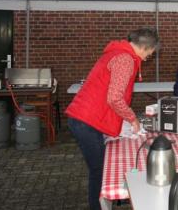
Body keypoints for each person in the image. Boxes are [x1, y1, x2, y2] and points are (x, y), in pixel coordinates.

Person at [65, 28, 159, 210]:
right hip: (86, 121)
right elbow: (114, 98)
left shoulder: (119, 53)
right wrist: (132, 119)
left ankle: (114, 199)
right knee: (99, 170)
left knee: (101, 167)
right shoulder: (125, 59)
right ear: (146, 47)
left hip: (87, 118)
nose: (150, 56)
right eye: (151, 52)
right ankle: (98, 206)